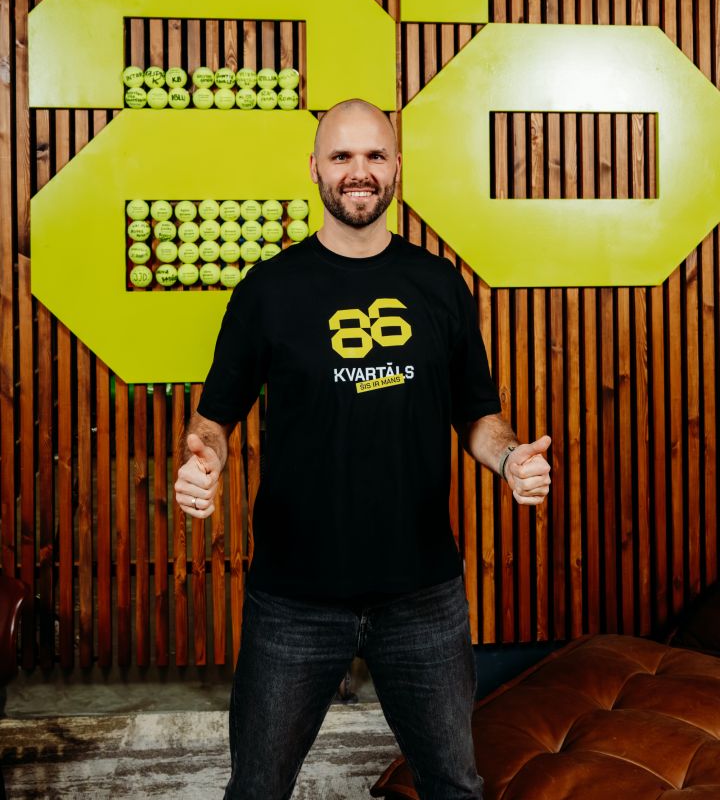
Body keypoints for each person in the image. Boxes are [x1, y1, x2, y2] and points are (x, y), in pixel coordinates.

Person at [174, 99, 552, 800]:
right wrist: (205, 464)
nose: (359, 171)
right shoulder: (268, 291)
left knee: (454, 787)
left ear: (397, 167)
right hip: (294, 599)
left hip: (423, 595)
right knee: (256, 789)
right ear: (314, 168)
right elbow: (212, 421)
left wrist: (509, 460)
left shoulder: (438, 284)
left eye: (375, 155)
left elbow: (479, 417)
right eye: (342, 156)